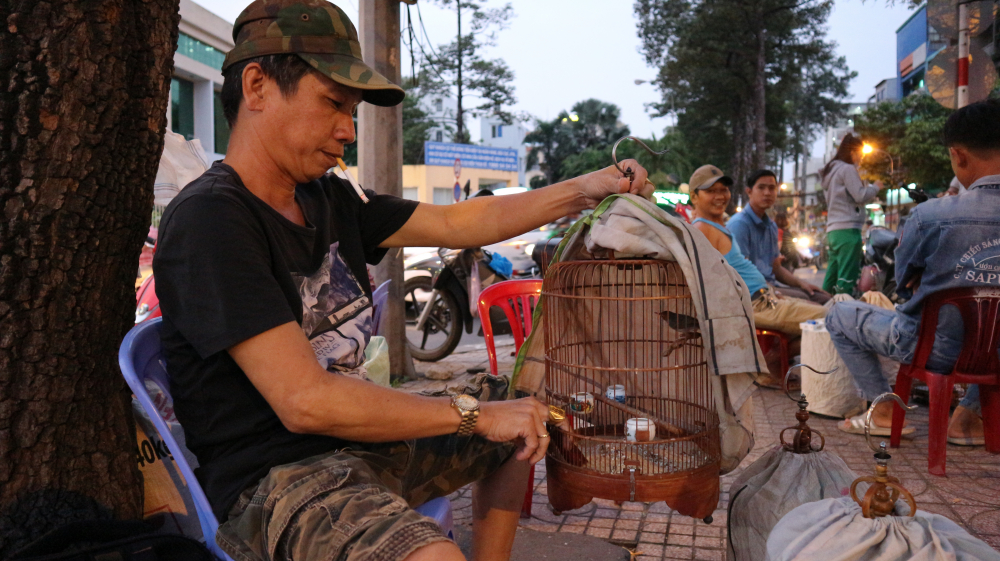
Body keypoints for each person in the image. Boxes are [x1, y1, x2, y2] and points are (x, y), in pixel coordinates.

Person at [152, 2, 653, 561]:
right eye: (333, 104)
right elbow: (305, 403)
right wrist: (473, 416)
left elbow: (458, 222)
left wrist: (586, 188)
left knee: (516, 411)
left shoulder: (329, 196)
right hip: (278, 482)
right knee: (439, 543)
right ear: (258, 85)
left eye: (353, 111)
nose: (348, 129)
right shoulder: (212, 220)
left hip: (353, 440)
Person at [825, 99, 1000, 443]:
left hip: (933, 349)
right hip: (995, 353)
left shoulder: (930, 215)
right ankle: (968, 417)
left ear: (958, 155)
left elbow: (903, 285)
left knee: (840, 312)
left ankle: (885, 408)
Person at [687, 165, 826, 384]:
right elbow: (709, 281)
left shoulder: (717, 225)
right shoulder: (703, 229)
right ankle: (769, 365)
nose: (720, 196)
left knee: (827, 310)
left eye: (723, 190)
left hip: (764, 297)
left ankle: (770, 366)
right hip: (756, 304)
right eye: (711, 191)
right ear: (694, 197)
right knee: (831, 318)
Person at [727, 170, 830, 304]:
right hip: (754, 294)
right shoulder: (739, 224)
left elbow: (776, 268)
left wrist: (801, 283)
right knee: (814, 305)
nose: (767, 193)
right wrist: (770, 289)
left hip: (772, 286)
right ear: (749, 191)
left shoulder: (771, 226)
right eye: (761, 187)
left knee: (824, 297)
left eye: (772, 188)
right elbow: (739, 273)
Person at [821, 133, 883, 294]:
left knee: (832, 276)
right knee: (847, 276)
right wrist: (875, 187)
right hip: (848, 229)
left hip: (833, 230)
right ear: (852, 152)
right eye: (860, 154)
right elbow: (860, 195)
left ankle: (821, 308)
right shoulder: (847, 169)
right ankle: (844, 310)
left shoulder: (831, 170)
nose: (861, 158)